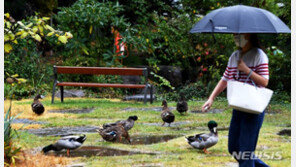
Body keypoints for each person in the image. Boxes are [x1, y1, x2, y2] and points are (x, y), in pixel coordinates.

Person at [202, 33, 269, 167]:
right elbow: (225, 79)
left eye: (238, 34)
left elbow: (264, 81)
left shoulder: (259, 55)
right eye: (234, 34)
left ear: (249, 35)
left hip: (254, 108)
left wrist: (246, 69)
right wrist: (211, 98)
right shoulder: (235, 56)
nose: (235, 37)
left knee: (245, 152)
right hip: (239, 107)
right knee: (234, 148)